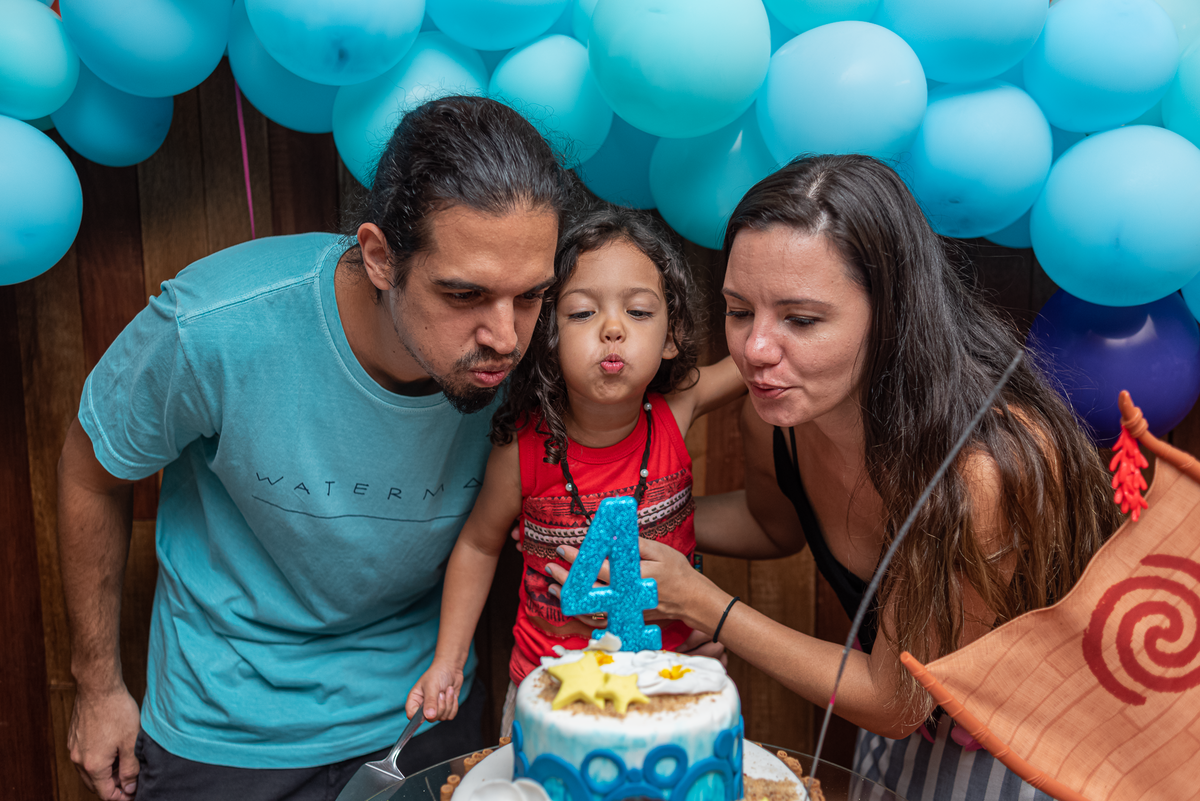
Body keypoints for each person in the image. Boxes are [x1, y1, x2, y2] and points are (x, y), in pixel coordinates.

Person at [548, 155, 1120, 801]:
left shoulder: (978, 472)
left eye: (801, 319)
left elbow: (896, 697)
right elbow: (773, 524)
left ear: (892, 313)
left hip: (1033, 750)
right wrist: (623, 513)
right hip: (893, 718)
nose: (757, 348)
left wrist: (701, 601)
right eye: (740, 311)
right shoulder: (780, 416)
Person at [56, 95, 570, 801]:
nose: (506, 336)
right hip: (223, 731)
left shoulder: (539, 349)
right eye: (464, 294)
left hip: (425, 717)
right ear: (381, 257)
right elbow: (91, 470)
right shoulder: (214, 325)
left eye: (531, 296)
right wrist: (97, 684)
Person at [404, 205, 744, 734]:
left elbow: (758, 361)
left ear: (672, 334)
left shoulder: (677, 408)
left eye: (638, 312)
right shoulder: (521, 450)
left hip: (668, 680)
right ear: (549, 336)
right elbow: (478, 545)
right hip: (550, 692)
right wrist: (447, 660)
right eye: (583, 313)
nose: (612, 330)